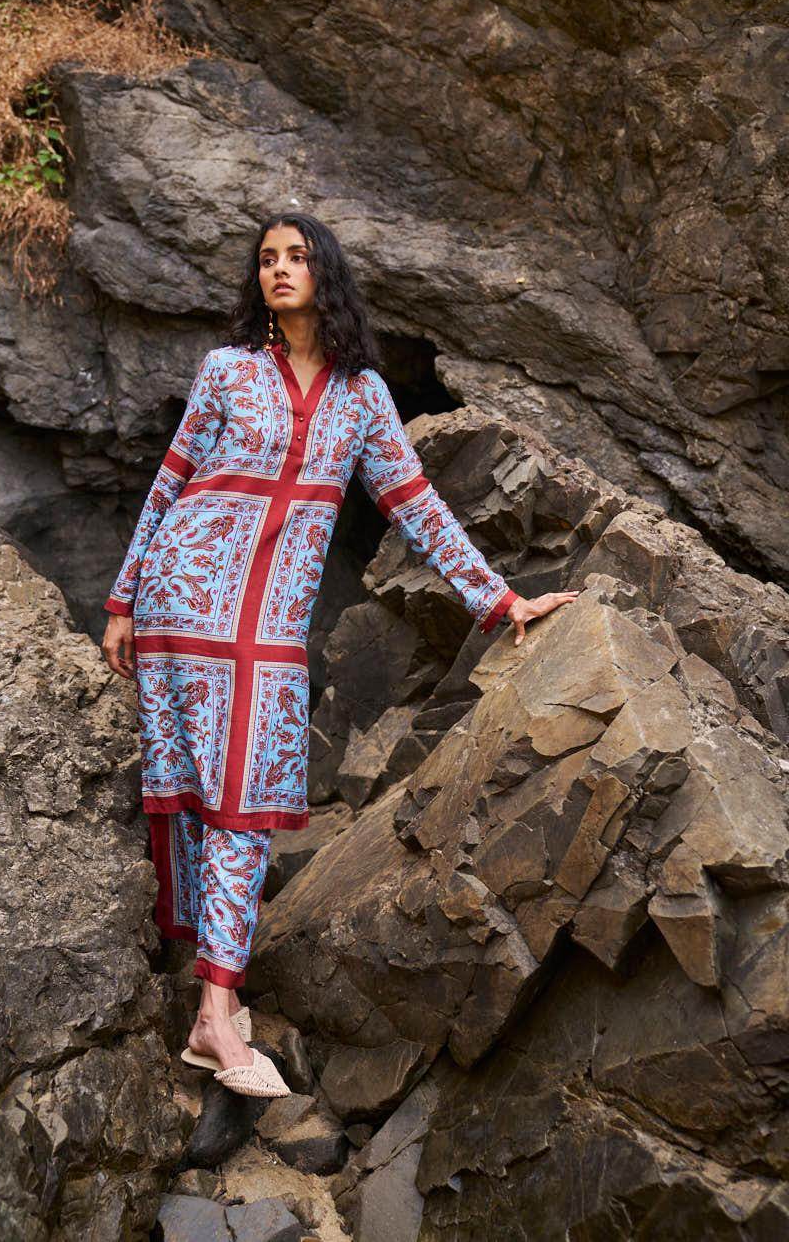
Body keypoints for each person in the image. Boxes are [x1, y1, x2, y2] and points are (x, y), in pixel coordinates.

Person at [101, 211, 579, 1097]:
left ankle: (213, 1004)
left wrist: (500, 598)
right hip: (186, 596)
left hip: (270, 622)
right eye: (266, 259)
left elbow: (416, 505)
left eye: (296, 256)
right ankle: (216, 1007)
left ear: (326, 273)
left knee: (245, 794)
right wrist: (124, 598)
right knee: (212, 795)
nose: (279, 269)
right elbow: (169, 482)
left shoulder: (362, 397)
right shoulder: (227, 370)